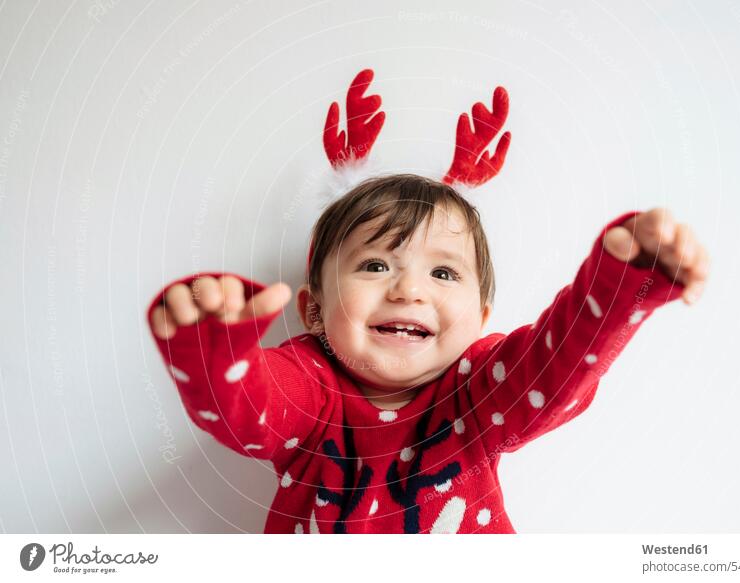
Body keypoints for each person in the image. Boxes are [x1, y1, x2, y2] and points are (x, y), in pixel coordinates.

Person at [146, 173, 709, 533]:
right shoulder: (310, 385)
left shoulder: (477, 388)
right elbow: (250, 408)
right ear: (314, 311)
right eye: (374, 265)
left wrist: (619, 287)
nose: (408, 290)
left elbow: (554, 367)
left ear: (480, 320)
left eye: (442, 272)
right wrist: (214, 348)